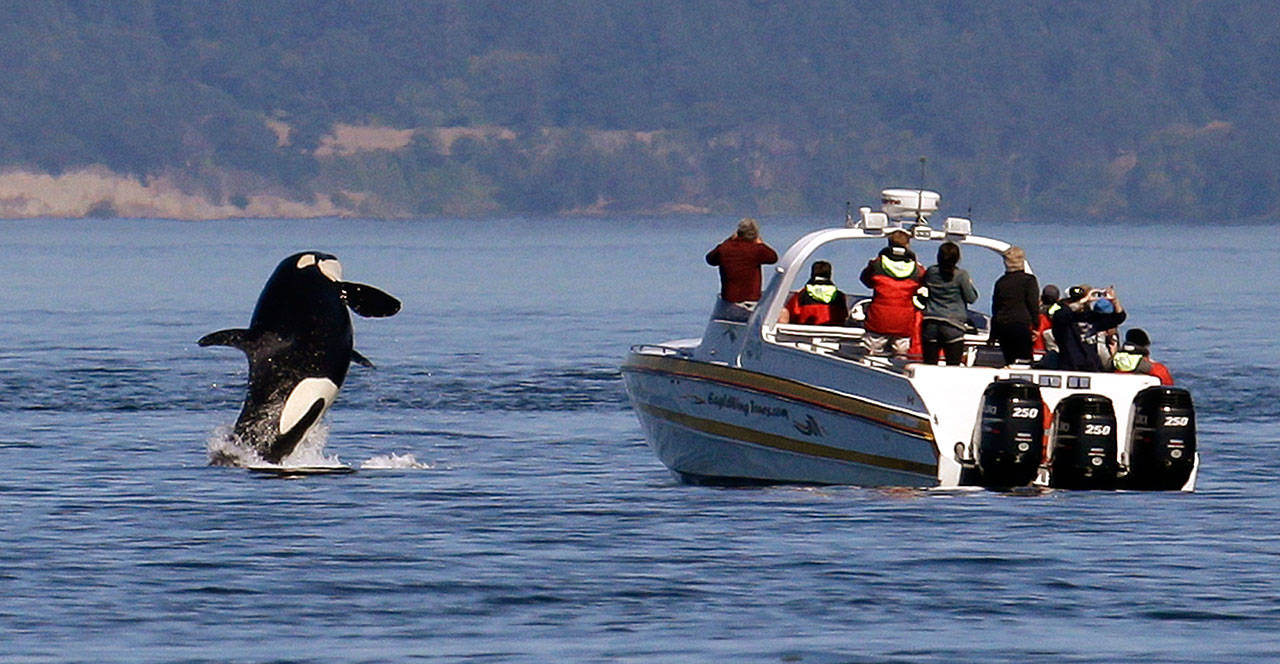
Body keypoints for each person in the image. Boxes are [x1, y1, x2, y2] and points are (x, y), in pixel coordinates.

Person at [860, 241, 925, 358]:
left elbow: (866, 280)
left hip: (878, 319)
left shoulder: (876, 264)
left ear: (889, 244)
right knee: (901, 357)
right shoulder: (917, 269)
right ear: (907, 245)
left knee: (871, 355)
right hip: (904, 320)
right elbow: (922, 284)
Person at [918, 242, 978, 365]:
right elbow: (971, 298)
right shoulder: (961, 275)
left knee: (929, 366)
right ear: (957, 258)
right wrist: (970, 284)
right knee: (953, 367)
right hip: (953, 326)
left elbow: (923, 288)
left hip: (931, 323)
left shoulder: (931, 272)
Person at [705, 218, 778, 313]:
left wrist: (728, 241)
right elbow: (773, 258)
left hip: (728, 300)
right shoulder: (757, 250)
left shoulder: (725, 248)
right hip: (750, 300)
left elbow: (710, 259)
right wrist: (761, 243)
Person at [1051, 284, 1128, 372]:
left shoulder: (1089, 317)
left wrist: (1114, 301)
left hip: (1092, 366)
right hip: (1071, 367)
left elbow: (1119, 317)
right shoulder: (1062, 318)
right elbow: (1062, 314)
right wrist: (1082, 300)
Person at [990, 246, 1039, 365]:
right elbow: (1032, 304)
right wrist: (1036, 324)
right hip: (1020, 324)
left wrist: (993, 333)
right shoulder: (1029, 280)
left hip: (1002, 326)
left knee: (1009, 360)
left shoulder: (1001, 282)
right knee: (1024, 361)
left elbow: (995, 308)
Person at [779, 260, 849, 325]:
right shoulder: (839, 296)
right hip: (833, 336)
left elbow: (792, 314)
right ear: (830, 274)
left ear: (812, 273)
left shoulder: (801, 295)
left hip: (804, 336)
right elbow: (844, 316)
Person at [1033, 284, 1060, 354]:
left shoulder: (1034, 311)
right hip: (1051, 349)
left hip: (1035, 347)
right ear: (1057, 298)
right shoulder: (1058, 311)